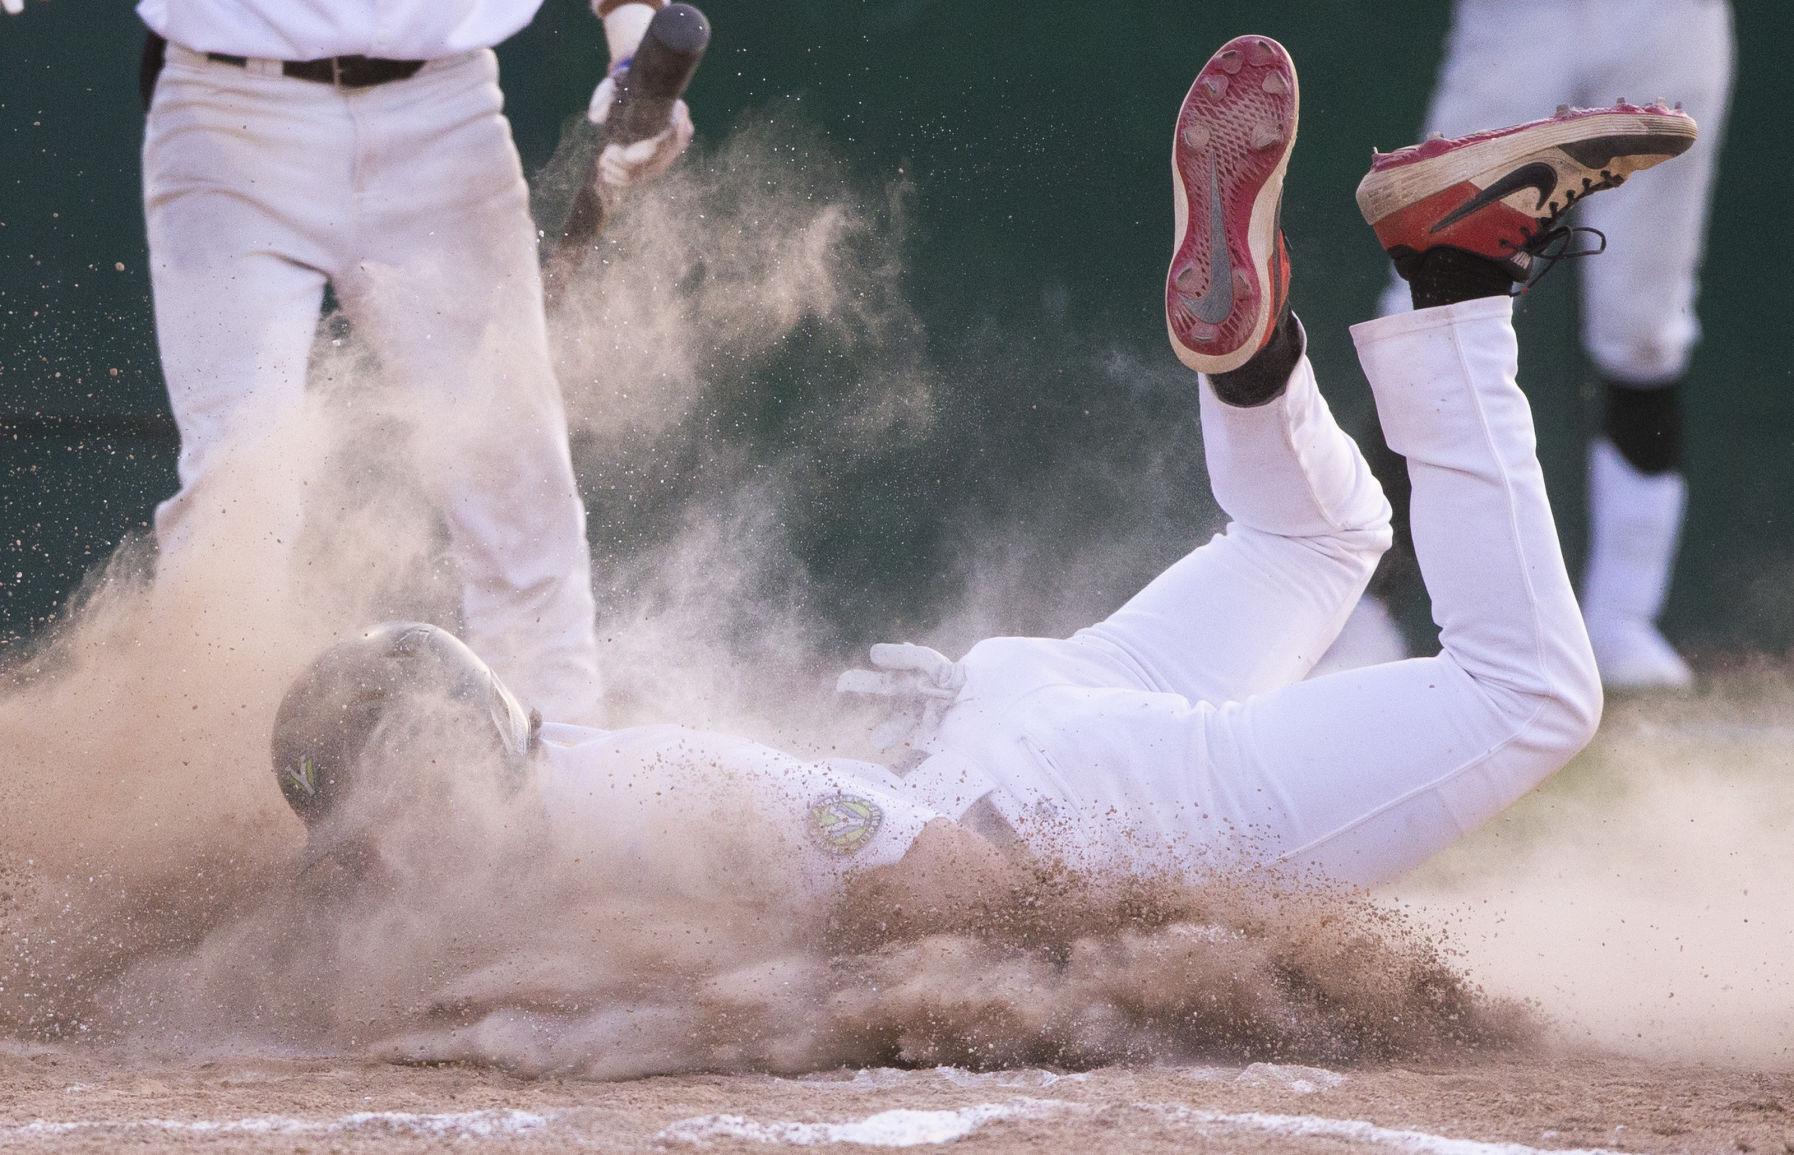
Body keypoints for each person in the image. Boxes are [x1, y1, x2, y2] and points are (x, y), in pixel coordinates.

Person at [271, 37, 1693, 893]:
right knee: (1322, 538)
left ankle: (1451, 276)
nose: (373, 855)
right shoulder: (559, 796)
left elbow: (903, 855)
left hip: (1091, 808)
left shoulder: (581, 802)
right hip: (1035, 711)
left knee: (1529, 694)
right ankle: (1254, 371)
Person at [4, 0, 697, 720]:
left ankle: (556, 789)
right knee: (238, 495)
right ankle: (198, 796)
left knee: (518, 487)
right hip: (230, 113)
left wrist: (632, 32)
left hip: (445, 113)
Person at [1329, 0, 1735, 691]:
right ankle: (1363, 606)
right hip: (1520, 17)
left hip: (1669, 17)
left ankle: (1623, 618)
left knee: (1646, 327)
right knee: (1431, 294)